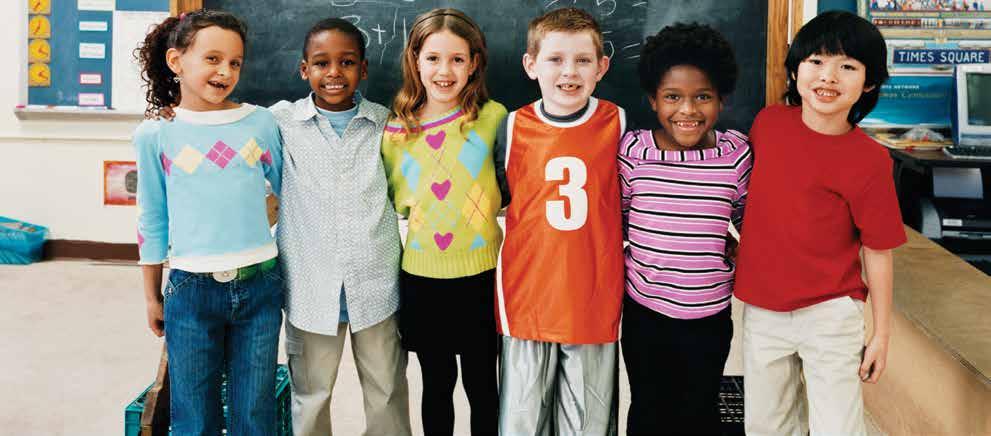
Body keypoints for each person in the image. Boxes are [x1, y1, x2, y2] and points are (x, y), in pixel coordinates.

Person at [734, 11, 906, 436]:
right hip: (763, 308)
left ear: (869, 82)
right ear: (795, 70)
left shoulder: (871, 160)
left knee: (837, 426)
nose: (828, 76)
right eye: (816, 61)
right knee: (766, 424)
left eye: (847, 66)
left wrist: (881, 334)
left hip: (830, 313)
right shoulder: (768, 124)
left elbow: (878, 250)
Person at [134, 9, 284, 435]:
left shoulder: (260, 122)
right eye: (213, 59)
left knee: (254, 414)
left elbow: (287, 191)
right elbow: (152, 217)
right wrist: (151, 295)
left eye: (235, 62)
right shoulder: (155, 134)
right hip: (191, 290)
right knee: (194, 416)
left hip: (260, 285)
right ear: (176, 61)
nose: (225, 72)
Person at [269, 18, 411, 436]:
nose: (334, 73)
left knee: (386, 392)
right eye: (321, 63)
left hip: (377, 285)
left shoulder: (385, 124)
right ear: (304, 70)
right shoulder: (280, 123)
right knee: (310, 395)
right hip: (310, 287)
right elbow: (230, 123)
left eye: (346, 62)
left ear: (363, 69)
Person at [617, 22, 753, 436]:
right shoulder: (633, 151)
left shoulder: (735, 154)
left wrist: (737, 246)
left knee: (699, 413)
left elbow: (748, 218)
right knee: (648, 411)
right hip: (645, 313)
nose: (688, 110)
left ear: (721, 99)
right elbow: (619, 218)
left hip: (709, 316)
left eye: (703, 97)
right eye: (673, 97)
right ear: (653, 100)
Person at [495, 7, 625, 435]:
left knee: (587, 424)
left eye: (582, 60)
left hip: (592, 299)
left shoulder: (618, 123)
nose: (569, 71)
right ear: (531, 65)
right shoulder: (511, 126)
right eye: (555, 59)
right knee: (522, 420)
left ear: (601, 67)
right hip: (527, 298)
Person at [379, 8, 507, 436]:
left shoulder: (494, 118)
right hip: (423, 278)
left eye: (457, 59)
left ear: (474, 63)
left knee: (483, 385)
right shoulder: (396, 132)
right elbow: (397, 200)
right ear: (415, 60)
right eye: (433, 58)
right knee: (435, 385)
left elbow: (507, 185)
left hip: (482, 276)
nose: (444, 71)